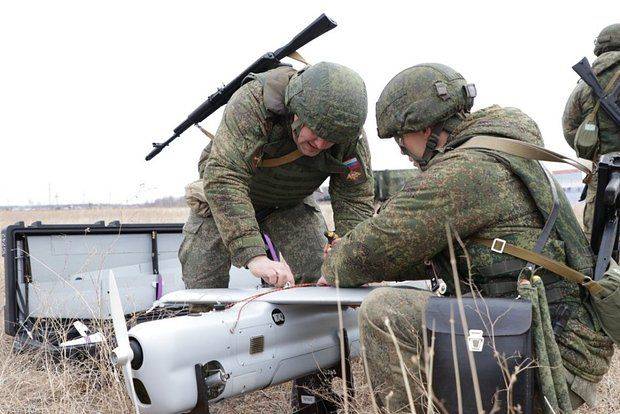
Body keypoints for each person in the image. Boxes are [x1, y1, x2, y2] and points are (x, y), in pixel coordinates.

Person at [319, 63, 615, 412]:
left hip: (549, 356)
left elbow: (375, 248)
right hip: (556, 340)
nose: (404, 152)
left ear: (425, 128)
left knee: (385, 312)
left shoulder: (467, 170)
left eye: (401, 140)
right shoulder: (503, 150)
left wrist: (335, 261)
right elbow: (432, 251)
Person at [179, 61, 374, 289]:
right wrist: (254, 256)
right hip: (223, 201)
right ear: (296, 113)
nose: (321, 144)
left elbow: (355, 199)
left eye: (330, 138)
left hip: (289, 201)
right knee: (202, 286)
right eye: (316, 131)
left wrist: (349, 261)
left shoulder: (348, 134)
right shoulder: (253, 102)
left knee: (325, 279)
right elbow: (225, 176)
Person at [562, 23, 620, 239]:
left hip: (604, 173)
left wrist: (596, 150)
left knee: (598, 247)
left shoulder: (587, 82)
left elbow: (570, 129)